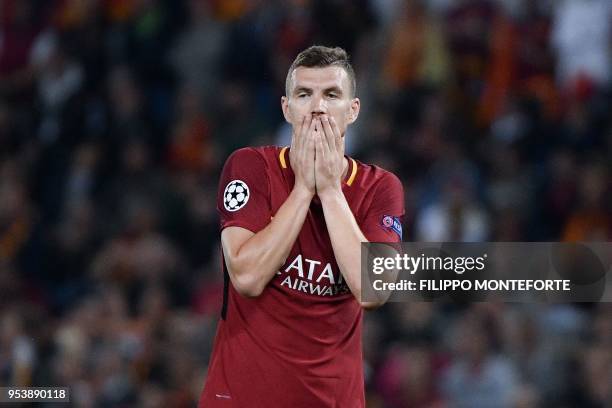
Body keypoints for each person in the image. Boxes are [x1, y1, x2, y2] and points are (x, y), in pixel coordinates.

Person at [199, 45, 404, 407]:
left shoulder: (380, 188)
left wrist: (328, 190)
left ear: (353, 111)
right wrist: (302, 189)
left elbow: (374, 291)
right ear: (286, 108)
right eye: (304, 94)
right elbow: (246, 277)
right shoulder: (251, 168)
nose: (318, 107)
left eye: (332, 95)